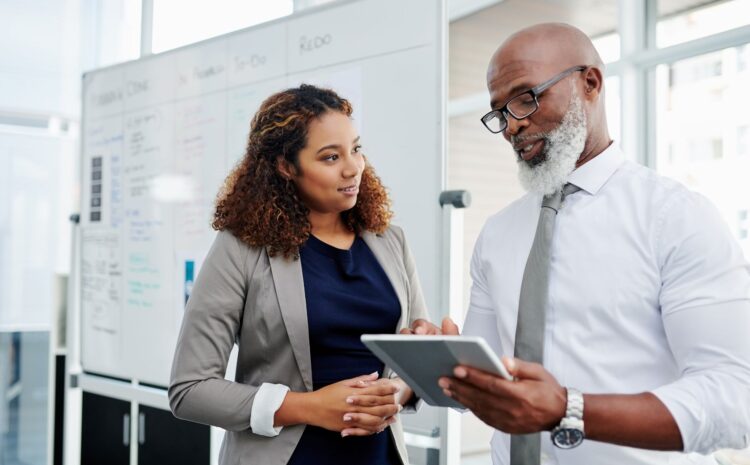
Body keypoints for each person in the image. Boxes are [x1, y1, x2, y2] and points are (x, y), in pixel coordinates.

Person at [431, 22, 750, 465]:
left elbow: (734, 400)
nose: (511, 127)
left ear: (590, 83)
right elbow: (490, 387)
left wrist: (567, 409)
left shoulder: (675, 217)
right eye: (500, 112)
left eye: (526, 98)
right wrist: (442, 362)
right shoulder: (498, 233)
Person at [168, 84, 431, 465]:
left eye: (356, 149)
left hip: (379, 456)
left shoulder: (391, 242)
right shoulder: (241, 248)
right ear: (285, 166)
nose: (352, 167)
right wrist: (308, 407)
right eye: (329, 157)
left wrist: (399, 391)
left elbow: (412, 366)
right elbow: (189, 389)